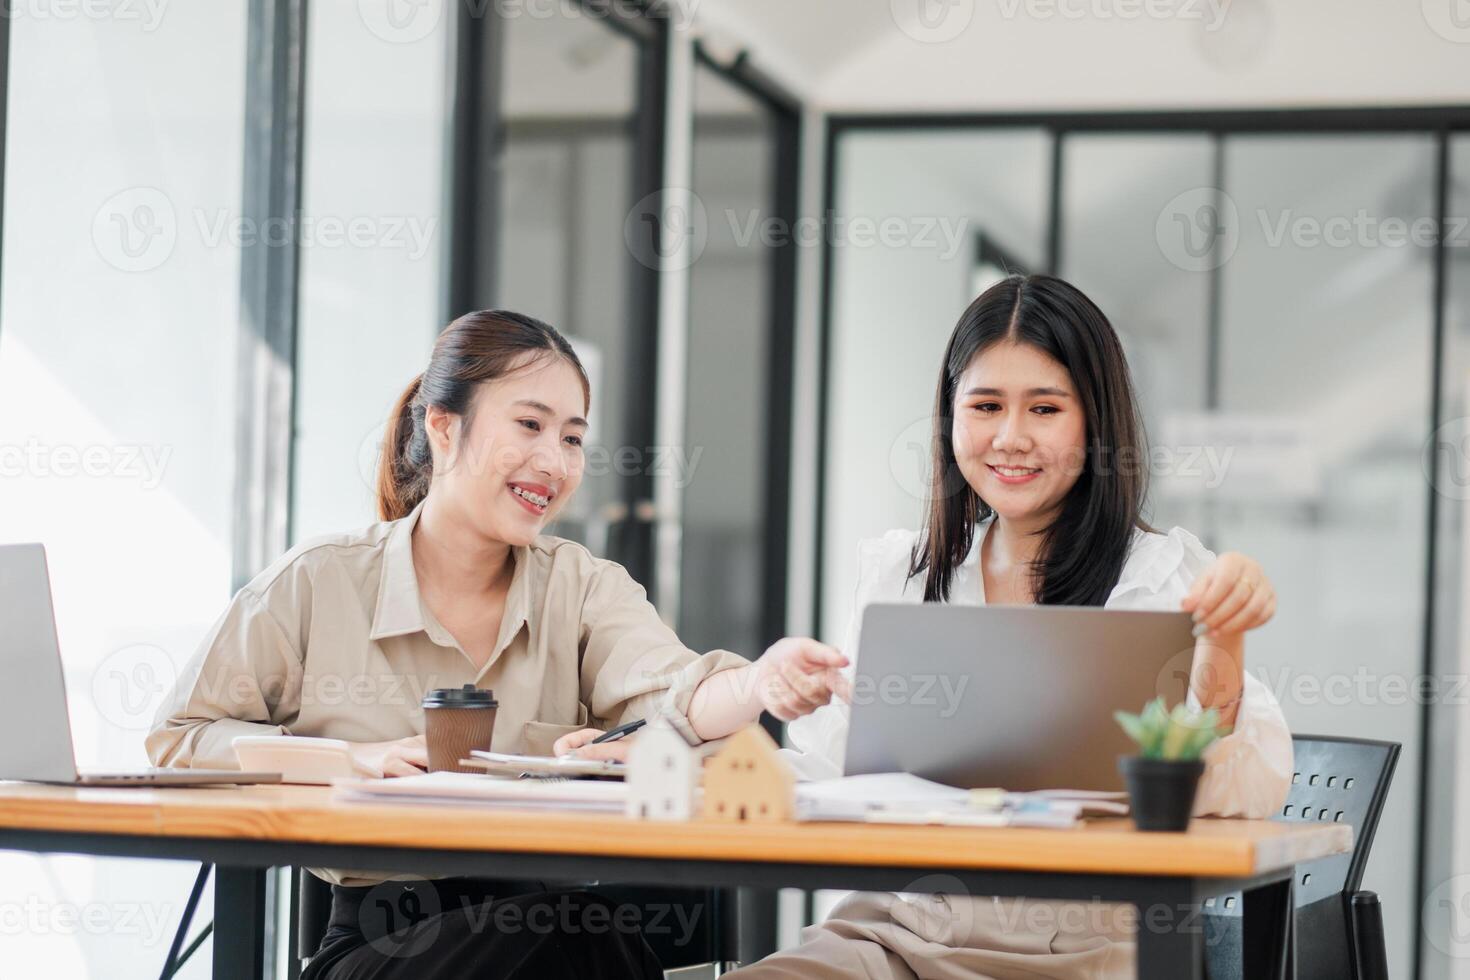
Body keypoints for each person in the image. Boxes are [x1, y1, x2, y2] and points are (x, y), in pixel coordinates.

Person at [146, 309, 846, 979]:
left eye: (572, 438)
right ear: (444, 428)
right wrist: (345, 760)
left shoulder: (580, 586)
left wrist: (758, 683)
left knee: (582, 935)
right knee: (582, 939)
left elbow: (679, 695)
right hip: (383, 944)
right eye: (530, 425)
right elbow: (179, 736)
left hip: (552, 926)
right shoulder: (319, 581)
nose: (555, 460)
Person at [731, 274, 1293, 980]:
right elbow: (829, 771)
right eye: (986, 405)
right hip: (895, 935)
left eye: (1045, 408)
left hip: (1076, 955)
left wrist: (1224, 645)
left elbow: (1242, 796)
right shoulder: (903, 572)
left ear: (1095, 421)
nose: (1010, 437)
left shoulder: (1157, 575)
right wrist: (703, 752)